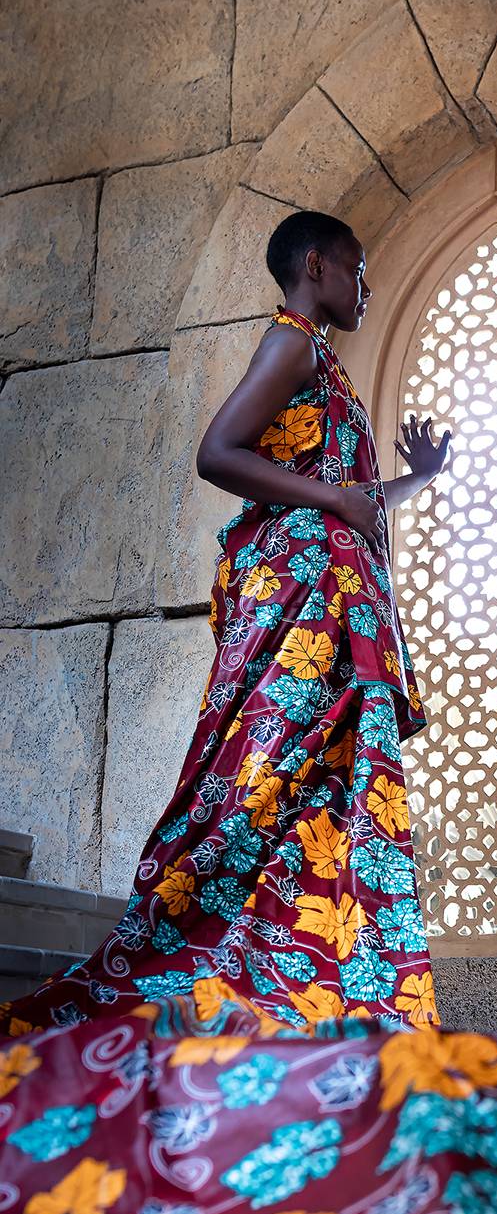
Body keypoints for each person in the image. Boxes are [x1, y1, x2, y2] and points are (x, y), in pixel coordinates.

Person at [0, 210, 451, 1039]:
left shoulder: (323, 364)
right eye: (356, 269)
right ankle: (201, 946)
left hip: (332, 601)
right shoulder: (290, 344)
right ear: (314, 266)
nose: (366, 285)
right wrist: (336, 499)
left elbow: (354, 505)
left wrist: (417, 480)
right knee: (258, 773)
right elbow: (218, 454)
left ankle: (306, 971)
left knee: (316, 785)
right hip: (295, 602)